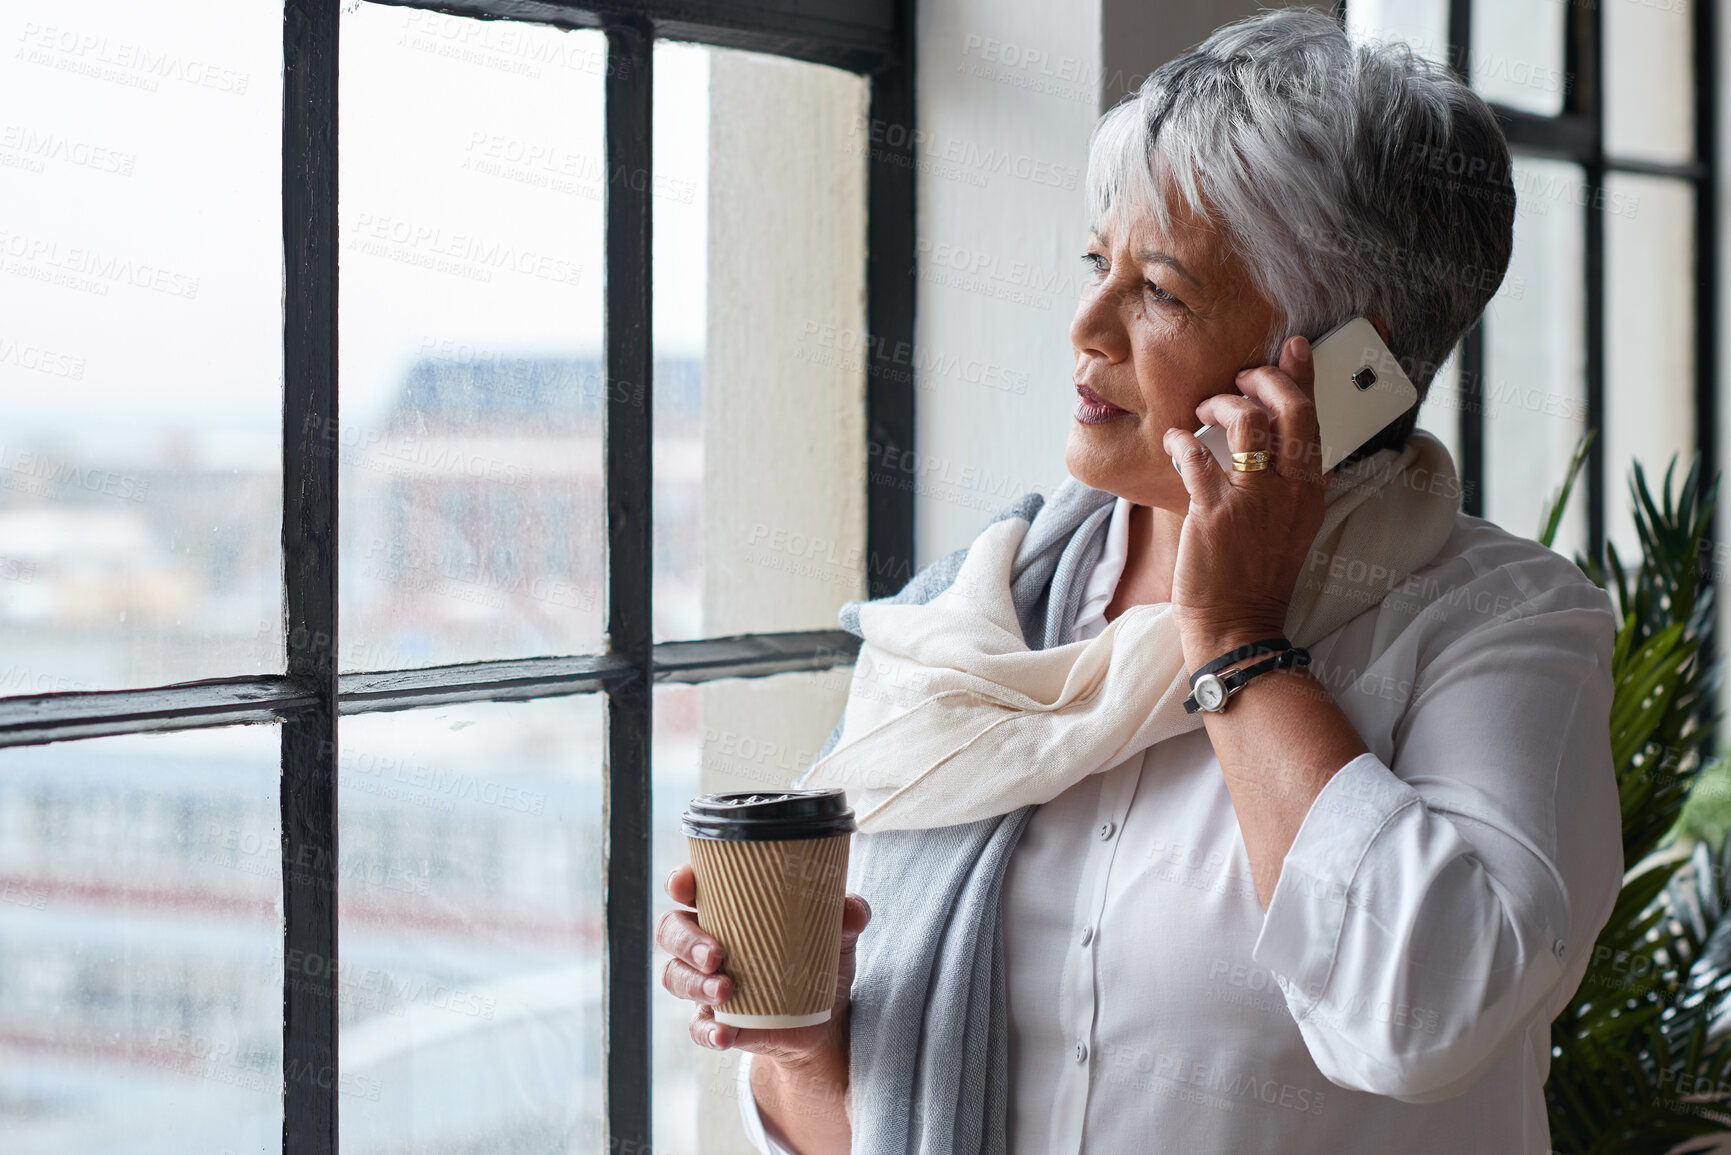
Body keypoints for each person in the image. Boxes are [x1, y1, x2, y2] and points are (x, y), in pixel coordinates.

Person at [657, 9, 1621, 1153]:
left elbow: (1425, 1015)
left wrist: (1237, 644)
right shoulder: (967, 634)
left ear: (1351, 369)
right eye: (1094, 262)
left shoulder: (1503, 628)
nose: (1085, 324)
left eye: (1158, 289)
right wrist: (800, 1044)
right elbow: (868, 1131)